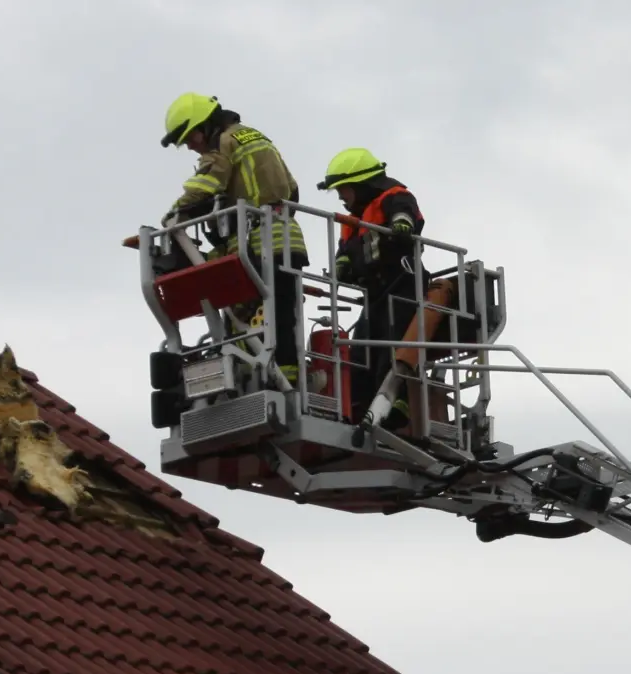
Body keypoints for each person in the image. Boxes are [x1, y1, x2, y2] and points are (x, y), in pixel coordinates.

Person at [160, 93, 311, 388]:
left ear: (203, 125)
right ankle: (286, 375)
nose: (190, 146)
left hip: (257, 241)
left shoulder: (221, 143)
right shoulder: (255, 137)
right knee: (282, 310)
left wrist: (174, 215)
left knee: (244, 312)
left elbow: (206, 185)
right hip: (287, 236)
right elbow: (292, 189)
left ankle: (260, 377)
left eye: (189, 138)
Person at [316, 147, 455, 430]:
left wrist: (401, 225)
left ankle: (398, 407)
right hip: (375, 295)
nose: (341, 196)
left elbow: (405, 215)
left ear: (362, 184)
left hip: (402, 286)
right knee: (360, 355)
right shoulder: (353, 219)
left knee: (393, 349)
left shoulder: (394, 196)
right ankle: (358, 410)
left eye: (343, 189)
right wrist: (340, 267)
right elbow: (345, 251)